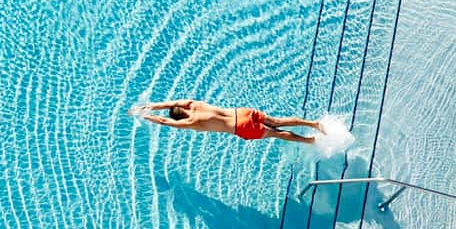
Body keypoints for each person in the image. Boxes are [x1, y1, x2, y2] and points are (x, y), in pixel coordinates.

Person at [130, 99, 322, 143]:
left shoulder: (192, 122)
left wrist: (145, 117)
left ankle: (309, 140)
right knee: (278, 121)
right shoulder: (192, 104)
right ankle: (313, 124)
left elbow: (164, 122)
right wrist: (145, 107)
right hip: (243, 112)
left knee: (276, 134)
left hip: (240, 126)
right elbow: (168, 104)